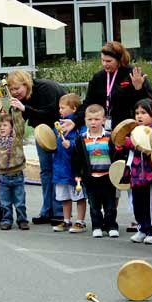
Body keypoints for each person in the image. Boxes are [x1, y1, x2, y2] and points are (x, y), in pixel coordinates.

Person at [7, 70, 65, 225]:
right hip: (41, 130)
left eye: (17, 88)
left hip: (58, 128)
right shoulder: (20, 98)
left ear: (26, 84)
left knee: (58, 169)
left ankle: (59, 212)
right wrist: (8, 115)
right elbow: (17, 121)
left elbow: (50, 113)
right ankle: (46, 210)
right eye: (12, 89)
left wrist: (24, 108)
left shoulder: (45, 88)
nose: (15, 92)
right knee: (45, 171)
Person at [72, 41, 152, 132]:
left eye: (108, 61)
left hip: (128, 127)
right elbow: (88, 103)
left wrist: (139, 89)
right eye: (103, 60)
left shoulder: (133, 75)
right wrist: (75, 121)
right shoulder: (98, 77)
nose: (104, 64)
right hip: (103, 128)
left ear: (119, 60)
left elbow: (149, 103)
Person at [72, 104, 118, 238]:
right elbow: (77, 159)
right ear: (85, 120)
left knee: (110, 205)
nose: (93, 122)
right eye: (90, 119)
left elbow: (116, 156)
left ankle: (111, 226)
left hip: (108, 177)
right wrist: (77, 175)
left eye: (97, 119)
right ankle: (97, 226)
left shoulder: (110, 137)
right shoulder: (81, 139)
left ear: (103, 120)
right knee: (94, 205)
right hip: (91, 178)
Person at [122, 99, 152, 244]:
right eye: (137, 113)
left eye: (144, 113)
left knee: (150, 203)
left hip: (149, 174)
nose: (139, 116)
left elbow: (146, 146)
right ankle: (142, 228)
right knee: (137, 203)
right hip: (136, 173)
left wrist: (129, 142)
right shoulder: (134, 130)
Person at [0, 109, 28, 230]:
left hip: (17, 175)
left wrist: (16, 111)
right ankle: (6, 220)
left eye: (5, 125)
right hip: (3, 177)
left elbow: (19, 124)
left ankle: (22, 220)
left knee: (20, 202)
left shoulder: (16, 138)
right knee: (5, 202)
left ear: (12, 127)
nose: (1, 128)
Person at [51, 93, 87, 233]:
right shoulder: (59, 124)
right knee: (64, 197)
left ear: (73, 108)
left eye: (62, 108)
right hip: (60, 166)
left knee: (79, 196)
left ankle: (80, 221)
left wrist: (71, 144)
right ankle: (66, 220)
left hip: (74, 168)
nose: (60, 110)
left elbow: (82, 142)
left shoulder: (79, 126)